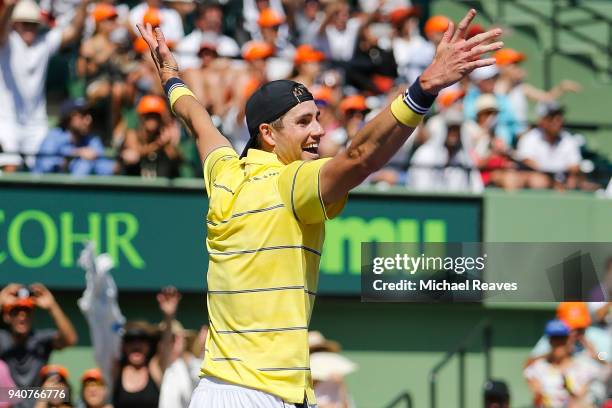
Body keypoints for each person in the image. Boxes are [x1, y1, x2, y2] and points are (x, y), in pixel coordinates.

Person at [137, 8, 502, 406]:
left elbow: (196, 118)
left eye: (318, 119)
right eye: (304, 121)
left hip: (216, 391)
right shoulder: (291, 182)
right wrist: (424, 88)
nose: (319, 130)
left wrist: (171, 76)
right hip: (263, 396)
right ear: (268, 134)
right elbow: (361, 156)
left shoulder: (223, 172)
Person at [0, 0, 92, 171]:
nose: (30, 28)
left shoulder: (43, 44)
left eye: (33, 24)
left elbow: (74, 32)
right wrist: (10, 6)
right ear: (15, 25)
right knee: (10, 167)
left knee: (48, 168)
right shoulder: (7, 43)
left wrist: (84, 4)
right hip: (7, 121)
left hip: (37, 124)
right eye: (25, 24)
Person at [0, 284, 78, 395]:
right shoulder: (2, 338)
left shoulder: (40, 339)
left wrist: (52, 306)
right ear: (7, 316)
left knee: (61, 394)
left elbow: (70, 339)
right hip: (6, 401)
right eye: (16, 311)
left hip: (37, 402)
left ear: (32, 315)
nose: (22, 316)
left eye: (27, 311)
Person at [111, 287, 179, 408]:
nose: (136, 345)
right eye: (130, 340)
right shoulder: (116, 369)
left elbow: (166, 347)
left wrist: (169, 317)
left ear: (149, 346)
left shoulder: (154, 368)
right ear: (123, 346)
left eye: (142, 340)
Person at [524, 319, 598, 408]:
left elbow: (583, 402)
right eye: (554, 338)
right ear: (549, 341)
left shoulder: (584, 367)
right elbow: (537, 397)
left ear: (569, 339)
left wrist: (569, 390)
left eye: (562, 338)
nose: (558, 343)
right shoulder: (538, 367)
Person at [34, 99, 115, 176]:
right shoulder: (53, 137)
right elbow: (46, 168)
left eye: (90, 114)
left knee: (84, 164)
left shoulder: (92, 140)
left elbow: (108, 169)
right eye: (83, 114)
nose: (89, 120)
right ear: (69, 117)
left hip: (82, 189)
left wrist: (123, 158)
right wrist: (76, 153)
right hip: (49, 189)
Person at [516, 102, 583, 190]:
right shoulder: (530, 138)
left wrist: (561, 177)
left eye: (559, 117)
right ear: (542, 120)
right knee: (537, 181)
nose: (557, 121)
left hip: (563, 179)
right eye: (552, 117)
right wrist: (553, 178)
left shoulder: (568, 139)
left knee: (576, 182)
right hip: (541, 179)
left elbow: (575, 166)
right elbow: (528, 161)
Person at [119, 95, 182, 178]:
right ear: (141, 117)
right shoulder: (132, 134)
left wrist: (169, 144)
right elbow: (135, 153)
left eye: (156, 116)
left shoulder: (163, 135)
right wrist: (158, 145)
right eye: (149, 115)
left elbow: (177, 158)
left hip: (159, 185)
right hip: (134, 183)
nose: (152, 119)